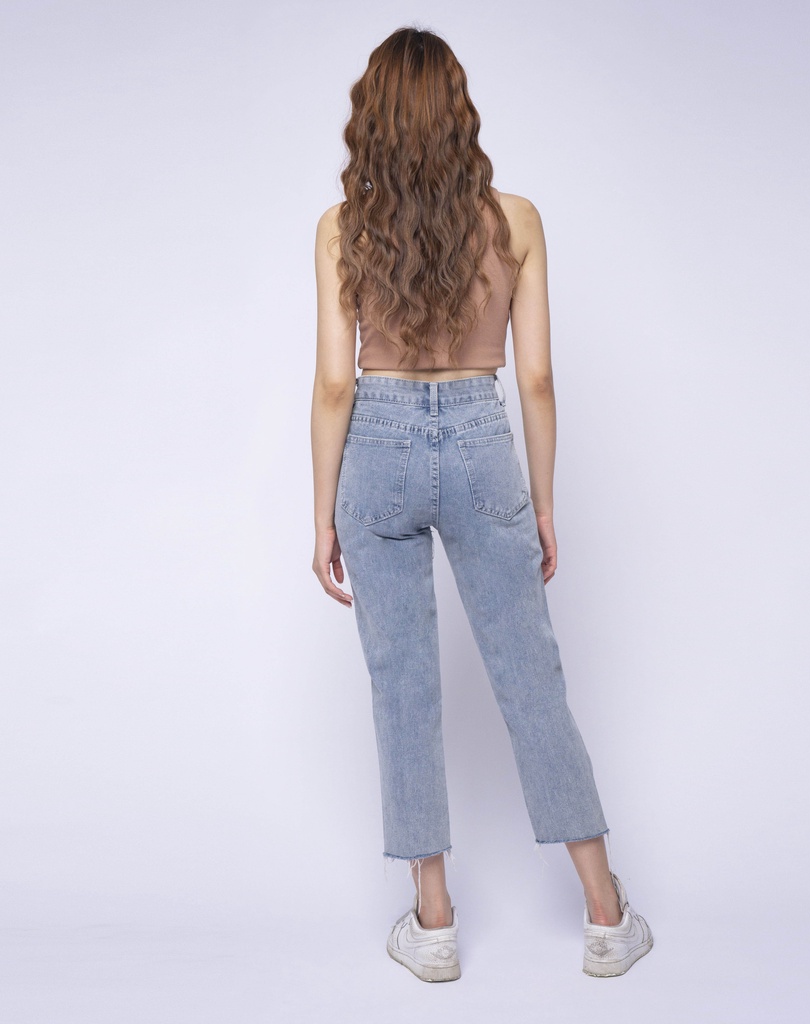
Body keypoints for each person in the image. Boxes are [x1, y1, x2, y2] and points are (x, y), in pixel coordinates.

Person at [310, 26, 653, 982]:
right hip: (478, 436)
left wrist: (322, 512)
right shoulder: (518, 220)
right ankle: (605, 914)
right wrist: (542, 502)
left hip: (375, 442)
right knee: (530, 674)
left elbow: (334, 384)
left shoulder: (341, 229)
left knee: (402, 684)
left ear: (372, 117)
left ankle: (433, 925)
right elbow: (535, 376)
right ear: (460, 111)